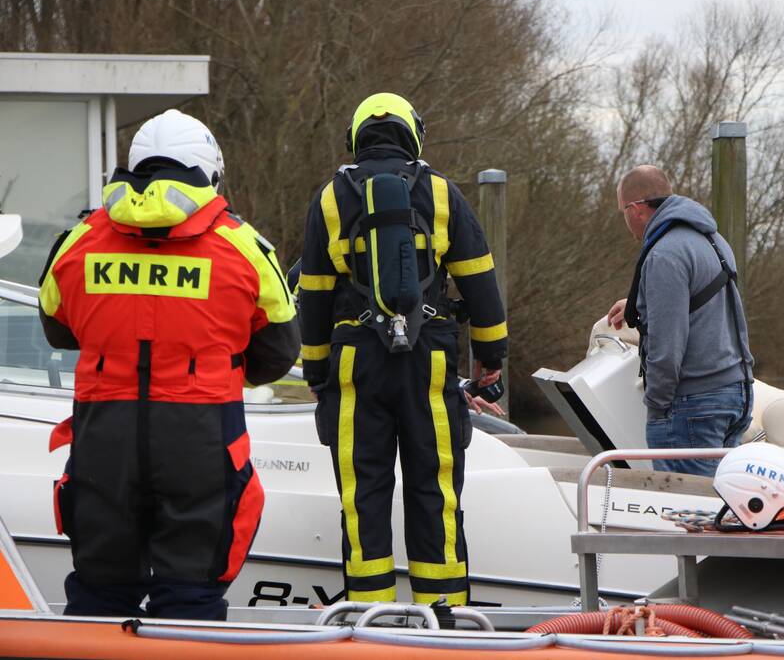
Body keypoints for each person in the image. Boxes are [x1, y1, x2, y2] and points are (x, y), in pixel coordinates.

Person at [38, 109, 300, 619]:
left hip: (103, 440)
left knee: (99, 594)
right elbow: (276, 356)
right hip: (200, 440)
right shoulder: (243, 248)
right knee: (191, 596)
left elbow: (57, 328)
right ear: (209, 172)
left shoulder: (79, 242)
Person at [298, 92, 507, 605]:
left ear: (355, 138)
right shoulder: (441, 194)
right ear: (414, 135)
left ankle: (370, 618)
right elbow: (481, 287)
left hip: (354, 363)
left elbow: (315, 297)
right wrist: (489, 363)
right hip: (429, 358)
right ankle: (445, 618)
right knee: (435, 490)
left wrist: (318, 374)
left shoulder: (329, 198)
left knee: (362, 496)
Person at [606, 165, 754, 477]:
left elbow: (666, 345)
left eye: (623, 211)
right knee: (718, 508)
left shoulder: (664, 254)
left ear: (637, 210)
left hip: (692, 404)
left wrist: (658, 406)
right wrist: (638, 303)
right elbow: (702, 303)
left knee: (687, 517)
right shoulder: (712, 239)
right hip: (735, 393)